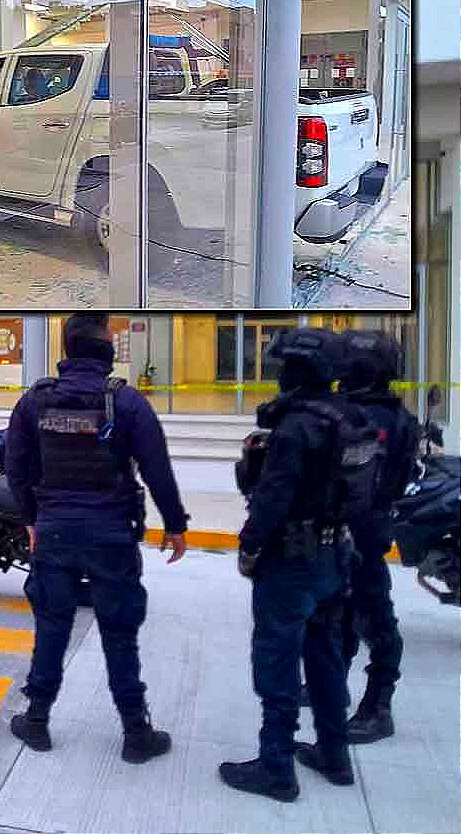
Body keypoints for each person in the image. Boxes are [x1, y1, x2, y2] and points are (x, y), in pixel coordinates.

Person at [4, 312, 189, 762]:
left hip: (55, 532)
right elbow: (157, 469)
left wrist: (31, 519)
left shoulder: (35, 401)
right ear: (103, 349)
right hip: (111, 536)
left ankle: (37, 719)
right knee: (120, 634)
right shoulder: (128, 403)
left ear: (68, 349)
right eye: (111, 337)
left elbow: (17, 468)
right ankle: (135, 731)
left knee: (51, 628)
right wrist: (176, 525)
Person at [220, 327, 368, 802]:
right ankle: (334, 753)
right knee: (325, 658)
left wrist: (249, 546)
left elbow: (272, 497)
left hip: (291, 561)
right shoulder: (351, 418)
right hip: (335, 556)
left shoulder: (295, 427)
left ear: (297, 371)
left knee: (278, 664)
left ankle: (276, 767)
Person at [336, 329, 417, 744]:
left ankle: (378, 707)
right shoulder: (394, 414)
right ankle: (332, 687)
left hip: (362, 531)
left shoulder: (365, 415)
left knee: (374, 617)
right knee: (342, 611)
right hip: (358, 527)